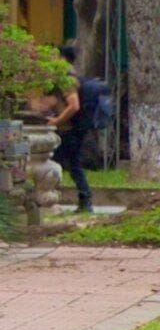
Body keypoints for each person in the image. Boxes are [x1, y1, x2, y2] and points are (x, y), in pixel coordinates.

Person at [53, 49, 114, 214]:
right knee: (68, 163)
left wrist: (56, 121)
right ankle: (82, 200)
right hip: (73, 128)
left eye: (54, 56)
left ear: (63, 59)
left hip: (70, 129)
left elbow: (74, 106)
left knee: (69, 164)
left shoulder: (68, 80)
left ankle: (84, 200)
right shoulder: (68, 78)